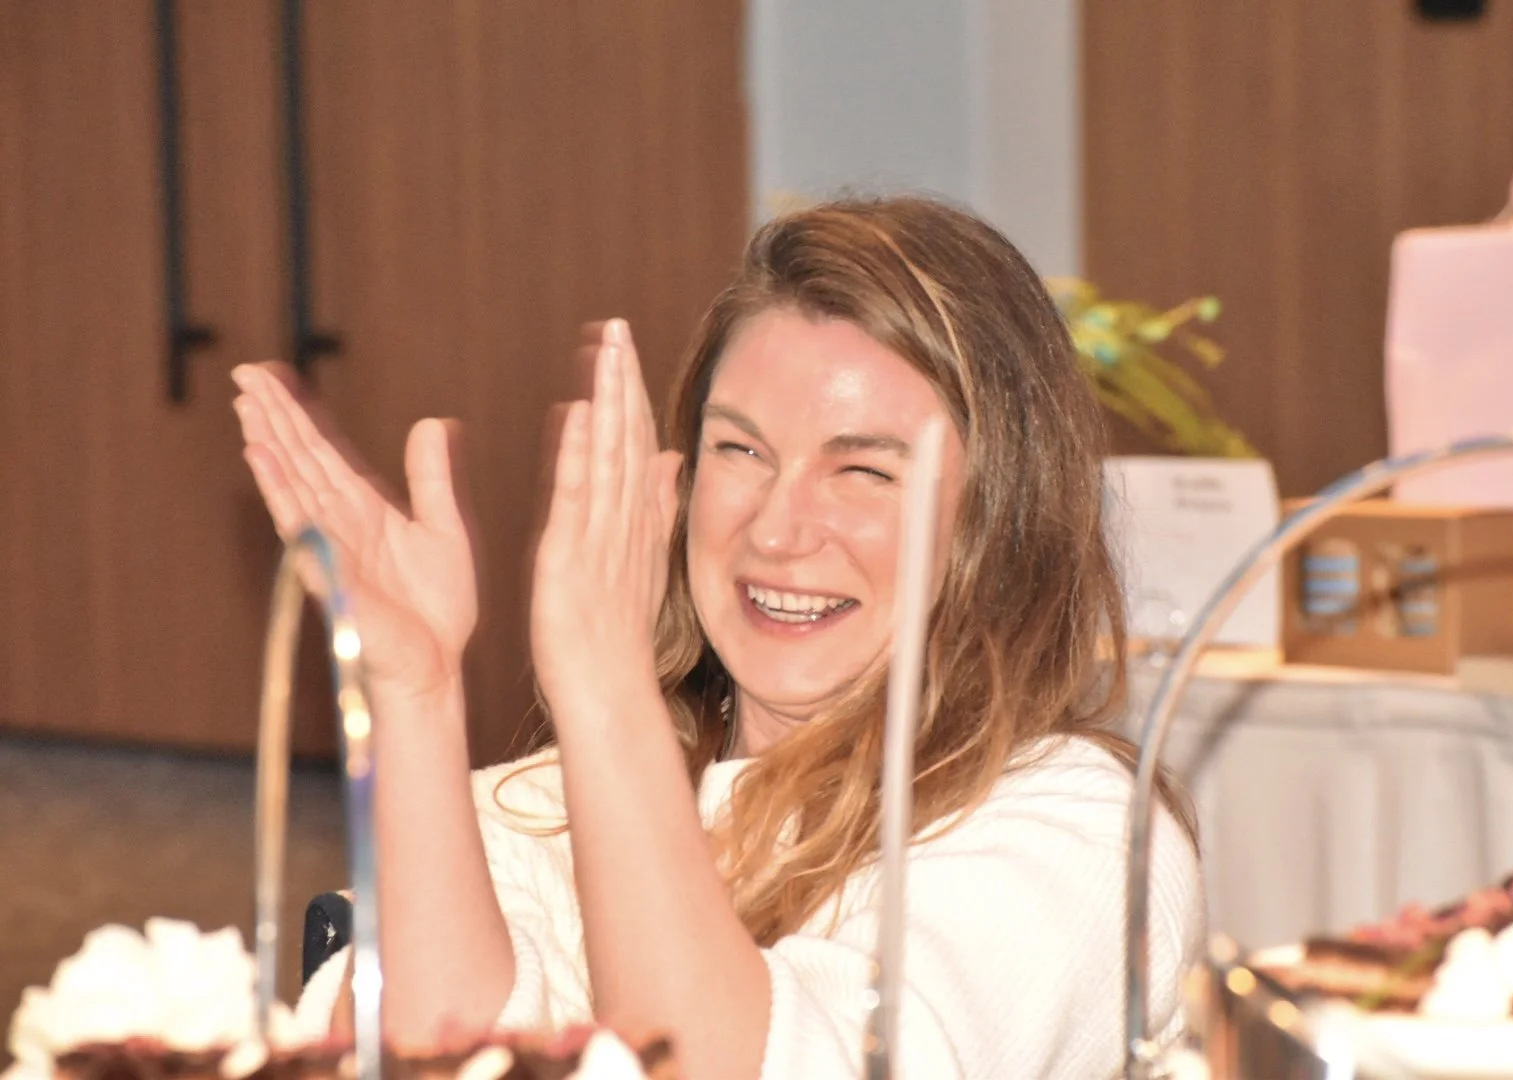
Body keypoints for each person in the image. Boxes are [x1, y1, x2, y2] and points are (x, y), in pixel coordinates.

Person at [230, 196, 1204, 1080]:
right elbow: (434, 1062)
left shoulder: (1076, 828)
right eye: (741, 450)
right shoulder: (538, 806)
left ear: (1004, 517)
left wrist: (608, 685)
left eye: (862, 470)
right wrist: (415, 692)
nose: (777, 530)